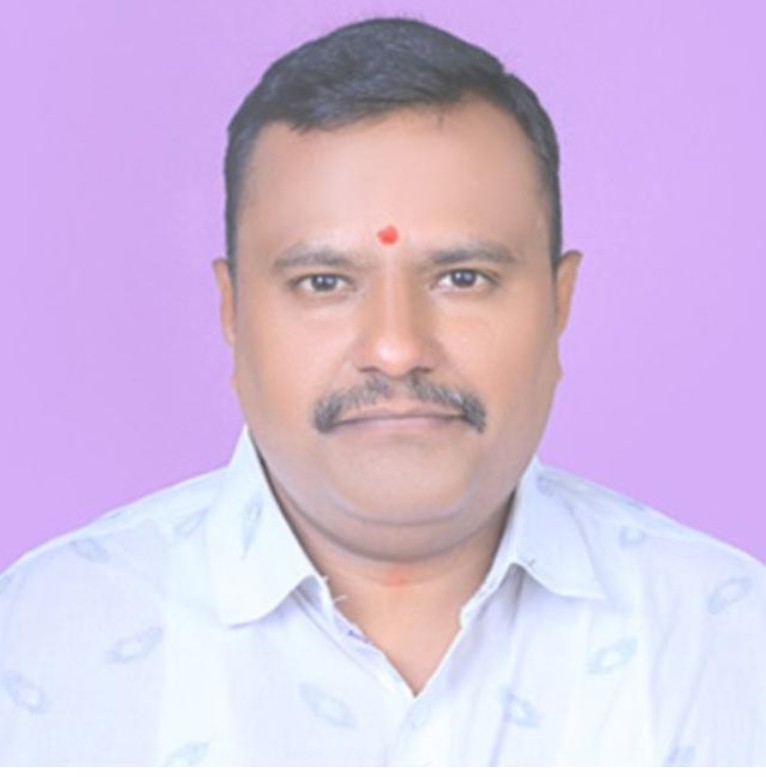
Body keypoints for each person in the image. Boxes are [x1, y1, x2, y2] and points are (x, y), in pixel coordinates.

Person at [1, 17, 764, 767]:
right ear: (232, 311)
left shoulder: (730, 638)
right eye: (324, 282)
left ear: (559, 303)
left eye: (463, 278)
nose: (396, 348)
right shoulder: (37, 643)